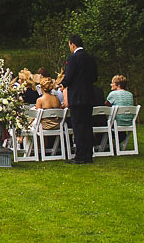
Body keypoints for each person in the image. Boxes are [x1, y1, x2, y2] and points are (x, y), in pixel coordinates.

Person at [61, 34, 98, 164]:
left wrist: (63, 84)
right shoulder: (90, 58)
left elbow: (69, 76)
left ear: (73, 44)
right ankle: (88, 154)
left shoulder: (73, 58)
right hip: (88, 95)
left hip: (76, 96)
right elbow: (94, 77)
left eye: (69, 45)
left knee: (78, 127)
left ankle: (80, 155)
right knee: (88, 125)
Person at [35, 76, 63, 153]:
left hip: (45, 126)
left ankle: (35, 151)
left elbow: (37, 116)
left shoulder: (40, 100)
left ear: (41, 88)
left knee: (32, 124)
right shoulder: (57, 99)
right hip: (57, 125)